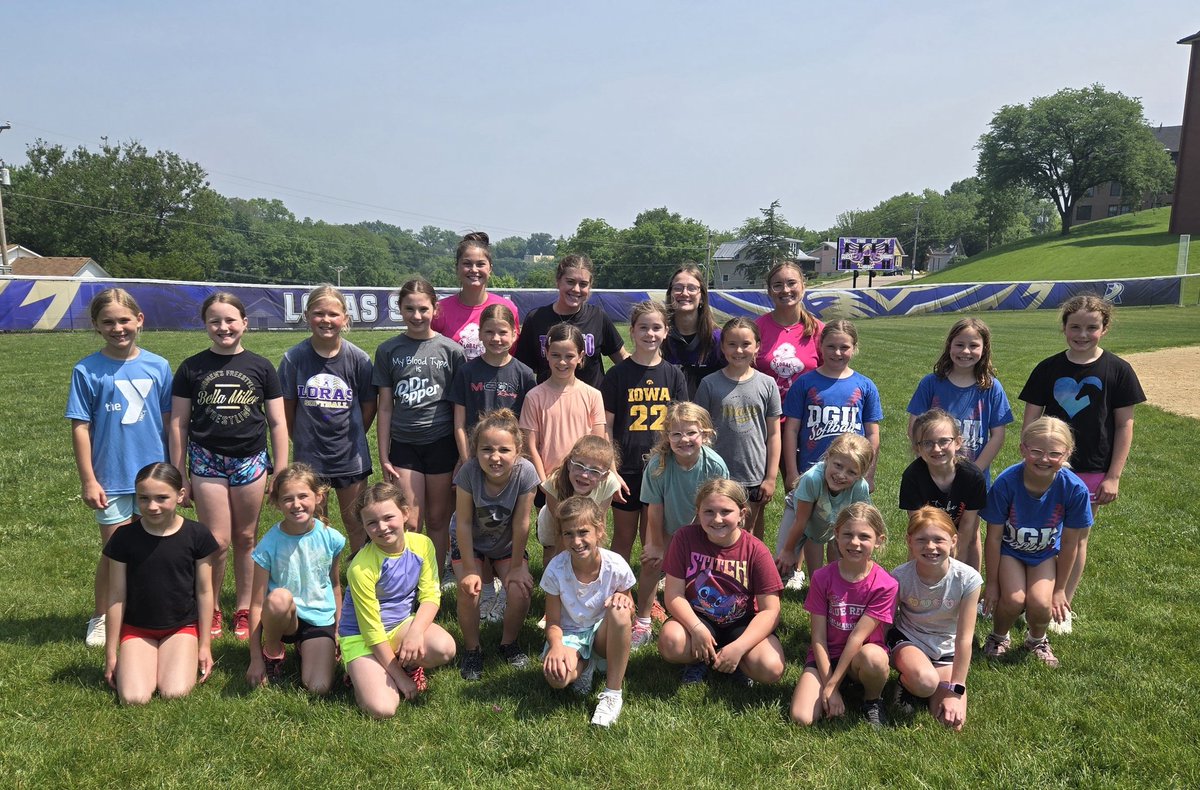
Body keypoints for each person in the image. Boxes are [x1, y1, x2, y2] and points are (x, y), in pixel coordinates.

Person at [1018, 295, 1144, 633]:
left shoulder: (1118, 370)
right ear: (1064, 328)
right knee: (1041, 534)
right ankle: (1031, 597)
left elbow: (1124, 425)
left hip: (1092, 468)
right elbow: (1032, 415)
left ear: (1104, 329)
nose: (1083, 334)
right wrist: (1027, 452)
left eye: (1092, 327)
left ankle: (1062, 605)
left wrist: (1113, 476)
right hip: (1048, 466)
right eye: (1075, 326)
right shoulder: (1048, 368)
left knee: (1077, 537)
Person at [170, 292, 288, 642]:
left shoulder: (261, 367)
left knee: (246, 537)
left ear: (244, 324)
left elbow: (278, 423)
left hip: (250, 459)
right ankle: (211, 606)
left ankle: (244, 607)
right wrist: (179, 474)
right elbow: (178, 423)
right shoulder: (192, 368)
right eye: (215, 321)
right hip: (206, 459)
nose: (223, 327)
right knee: (216, 541)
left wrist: (279, 471)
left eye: (230, 320)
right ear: (206, 326)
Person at [68, 288, 173, 647]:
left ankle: (144, 612)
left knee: (154, 549)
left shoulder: (158, 365)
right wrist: (89, 479)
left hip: (155, 477)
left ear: (139, 320)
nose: (118, 328)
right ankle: (102, 616)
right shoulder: (86, 369)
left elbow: (170, 421)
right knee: (116, 552)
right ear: (96, 326)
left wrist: (177, 472)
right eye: (108, 322)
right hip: (111, 477)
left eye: (124, 320)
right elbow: (80, 426)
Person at [447, 302, 536, 623]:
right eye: (489, 332)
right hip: (476, 462)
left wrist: (516, 463)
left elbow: (526, 424)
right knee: (475, 520)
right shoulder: (468, 371)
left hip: (508, 465)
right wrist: (468, 460)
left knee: (504, 522)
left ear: (515, 334)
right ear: (479, 335)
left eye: (503, 332)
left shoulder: (524, 373)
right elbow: (459, 422)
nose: (496, 338)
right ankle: (484, 586)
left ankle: (505, 579)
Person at [979, 417, 1092, 668]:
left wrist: (1061, 589)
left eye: (1054, 453)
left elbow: (1071, 543)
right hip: (1011, 552)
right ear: (1023, 449)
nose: (1044, 459)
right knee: (1013, 599)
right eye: (1037, 451)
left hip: (1044, 555)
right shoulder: (1007, 483)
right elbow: (994, 536)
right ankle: (998, 636)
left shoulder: (1074, 489)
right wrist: (993, 583)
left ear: (1067, 453)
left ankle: (1037, 640)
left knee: (1042, 603)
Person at [102, 463, 218, 705]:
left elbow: (205, 592)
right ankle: (142, 659)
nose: (152, 506)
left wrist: (204, 645)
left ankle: (169, 657)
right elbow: (116, 596)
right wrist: (111, 653)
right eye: (144, 498)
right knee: (134, 698)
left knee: (174, 693)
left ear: (180, 496)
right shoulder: (123, 538)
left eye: (162, 498)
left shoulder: (197, 535)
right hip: (137, 629)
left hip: (180, 627)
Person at [340, 483, 457, 718]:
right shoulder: (361, 567)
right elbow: (371, 630)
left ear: (405, 513)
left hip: (399, 626)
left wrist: (414, 633)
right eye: (371, 522)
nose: (382, 527)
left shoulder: (422, 545)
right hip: (361, 638)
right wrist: (400, 679)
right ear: (363, 526)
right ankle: (360, 670)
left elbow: (431, 595)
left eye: (388, 517)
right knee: (384, 708)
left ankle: (407, 663)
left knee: (445, 648)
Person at [373, 279, 465, 575]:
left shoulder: (450, 350)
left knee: (438, 519)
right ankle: (409, 580)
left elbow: (458, 407)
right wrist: (384, 454)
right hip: (405, 444)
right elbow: (385, 405)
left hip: (441, 443)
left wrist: (462, 454)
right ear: (400, 309)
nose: (416, 315)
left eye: (423, 309)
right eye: (409, 308)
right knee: (411, 520)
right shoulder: (388, 350)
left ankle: (434, 581)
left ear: (434, 309)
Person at [658, 480, 786, 687]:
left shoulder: (756, 550)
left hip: (741, 622)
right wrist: (696, 628)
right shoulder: (684, 538)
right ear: (697, 512)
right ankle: (700, 659)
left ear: (742, 514)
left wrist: (740, 647)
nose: (717, 519)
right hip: (700, 617)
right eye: (709, 511)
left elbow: (771, 611)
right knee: (671, 642)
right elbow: (673, 594)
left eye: (726, 511)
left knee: (770, 668)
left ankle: (735, 661)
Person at [278, 284, 377, 552]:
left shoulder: (359, 359)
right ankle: (321, 580)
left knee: (355, 521)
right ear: (308, 315)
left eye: (333, 314)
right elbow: (287, 407)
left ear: (345, 318)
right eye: (319, 314)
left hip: (350, 457)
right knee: (314, 522)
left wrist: (353, 434)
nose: (326, 320)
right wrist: (299, 437)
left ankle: (357, 582)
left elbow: (369, 405)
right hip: (310, 457)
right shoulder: (294, 359)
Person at [790, 503, 897, 728]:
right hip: (827, 657)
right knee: (801, 718)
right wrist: (830, 682)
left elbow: (856, 638)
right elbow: (818, 638)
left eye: (864, 536)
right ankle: (840, 686)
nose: (855, 542)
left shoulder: (886, 585)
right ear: (836, 535)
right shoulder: (821, 577)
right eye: (847, 534)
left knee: (874, 659)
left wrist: (831, 687)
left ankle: (872, 700)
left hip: (861, 657)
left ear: (879, 540)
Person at [451, 409, 539, 681]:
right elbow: (463, 523)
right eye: (487, 449)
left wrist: (516, 568)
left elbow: (522, 523)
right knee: (469, 592)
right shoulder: (469, 472)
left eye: (504, 449)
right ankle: (473, 648)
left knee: (520, 590)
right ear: (475, 450)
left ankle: (508, 643)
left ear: (518, 451)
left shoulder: (526, 473)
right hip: (471, 543)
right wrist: (468, 569)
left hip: (506, 544)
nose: (495, 457)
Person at [632, 402, 729, 649]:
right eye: (676, 434)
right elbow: (654, 507)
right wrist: (654, 543)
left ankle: (701, 615)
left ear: (705, 434)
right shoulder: (658, 465)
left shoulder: (714, 465)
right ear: (667, 436)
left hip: (704, 525)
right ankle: (642, 620)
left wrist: (693, 539)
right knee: (652, 563)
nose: (683, 439)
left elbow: (715, 505)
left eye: (691, 433)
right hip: (665, 523)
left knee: (700, 569)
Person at [602, 300, 687, 568]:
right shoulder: (617, 374)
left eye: (656, 328)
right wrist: (611, 468)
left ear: (666, 331)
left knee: (654, 538)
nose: (650, 334)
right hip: (626, 468)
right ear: (632, 331)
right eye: (643, 328)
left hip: (661, 468)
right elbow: (605, 426)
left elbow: (682, 424)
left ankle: (649, 598)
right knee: (623, 536)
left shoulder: (674, 375)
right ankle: (619, 591)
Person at [245, 464, 344, 693]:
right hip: (284, 618)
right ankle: (272, 653)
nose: (296, 504)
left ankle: (306, 648)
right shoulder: (268, 545)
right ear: (278, 503)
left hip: (319, 617)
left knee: (318, 687)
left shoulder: (332, 538)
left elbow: (335, 585)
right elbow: (257, 603)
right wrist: (255, 658)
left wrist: (339, 630)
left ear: (318, 497)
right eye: (288, 499)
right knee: (279, 598)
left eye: (303, 496)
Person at [541, 496, 636, 727]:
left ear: (599, 530)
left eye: (583, 532)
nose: (576, 541)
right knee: (557, 679)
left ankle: (612, 694)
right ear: (561, 535)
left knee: (620, 610)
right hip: (570, 634)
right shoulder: (556, 568)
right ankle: (585, 667)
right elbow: (552, 621)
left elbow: (631, 609)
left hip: (604, 635)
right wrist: (556, 646)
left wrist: (622, 599)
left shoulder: (616, 565)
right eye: (568, 534)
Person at [889, 507, 981, 730]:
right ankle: (906, 684)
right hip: (909, 640)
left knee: (951, 722)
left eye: (938, 539)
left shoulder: (968, 579)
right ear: (909, 541)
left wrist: (956, 689)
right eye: (921, 540)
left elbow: (965, 638)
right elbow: (886, 623)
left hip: (946, 647)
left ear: (953, 541)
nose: (930, 547)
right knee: (924, 681)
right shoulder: (899, 576)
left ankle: (927, 684)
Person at [694, 316, 781, 542]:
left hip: (753, 473)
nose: (739, 350)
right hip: (717, 474)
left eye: (746, 344)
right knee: (713, 528)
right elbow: (700, 432)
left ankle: (744, 574)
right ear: (722, 347)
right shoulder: (709, 384)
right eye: (732, 344)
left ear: (757, 347)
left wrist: (770, 477)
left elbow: (773, 434)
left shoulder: (767, 384)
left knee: (746, 532)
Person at [782, 319, 882, 490]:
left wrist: (869, 474)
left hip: (851, 473)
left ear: (854, 348)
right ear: (820, 345)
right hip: (811, 471)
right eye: (831, 346)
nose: (837, 353)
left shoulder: (865, 386)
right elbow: (791, 430)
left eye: (844, 347)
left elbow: (872, 433)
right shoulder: (804, 383)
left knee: (848, 517)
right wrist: (792, 472)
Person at [907, 317, 1012, 479]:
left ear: (984, 349)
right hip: (933, 473)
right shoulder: (931, 383)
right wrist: (930, 463)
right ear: (949, 346)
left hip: (973, 478)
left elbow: (997, 436)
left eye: (974, 345)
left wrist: (975, 471)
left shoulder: (991, 388)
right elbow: (914, 428)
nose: (966, 351)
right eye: (959, 345)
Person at [519, 323, 607, 497]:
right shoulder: (534, 396)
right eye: (556, 355)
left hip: (584, 481)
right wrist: (544, 484)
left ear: (581, 357)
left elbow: (598, 444)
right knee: (550, 524)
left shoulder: (593, 395)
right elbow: (530, 446)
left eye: (569, 356)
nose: (562, 362)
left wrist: (589, 477)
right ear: (546, 354)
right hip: (548, 482)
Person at [513, 253, 627, 388]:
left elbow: (622, 358)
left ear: (590, 286)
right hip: (548, 403)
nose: (576, 289)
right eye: (570, 282)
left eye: (583, 284)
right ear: (558, 281)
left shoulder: (597, 317)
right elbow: (522, 369)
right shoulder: (536, 318)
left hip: (590, 404)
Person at [775, 433, 874, 586]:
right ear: (828, 458)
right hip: (799, 513)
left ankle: (831, 586)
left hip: (833, 517)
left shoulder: (860, 487)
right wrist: (788, 550)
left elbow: (858, 523)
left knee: (842, 555)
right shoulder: (812, 479)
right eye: (838, 465)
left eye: (851, 472)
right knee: (782, 564)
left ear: (861, 474)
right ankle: (777, 588)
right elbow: (801, 521)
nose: (841, 475)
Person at [899, 409, 988, 571]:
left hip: (963, 530)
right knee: (918, 541)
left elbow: (968, 526)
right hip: (927, 528)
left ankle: (972, 583)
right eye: (927, 443)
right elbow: (917, 525)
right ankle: (913, 583)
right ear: (917, 448)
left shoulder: (973, 477)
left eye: (944, 441)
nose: (936, 449)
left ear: (958, 442)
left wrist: (956, 566)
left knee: (973, 534)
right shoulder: (912, 477)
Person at [432, 231, 521, 361]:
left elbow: (513, 356)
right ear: (457, 267)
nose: (474, 269)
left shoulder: (507, 308)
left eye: (480, 264)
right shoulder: (439, 310)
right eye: (467, 264)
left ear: (490, 268)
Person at [537, 436, 622, 565]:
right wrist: (560, 566)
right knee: (553, 556)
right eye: (579, 466)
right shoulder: (555, 482)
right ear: (570, 464)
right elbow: (559, 528)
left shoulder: (609, 484)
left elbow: (599, 522)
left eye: (594, 471)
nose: (584, 475)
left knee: (587, 554)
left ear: (604, 476)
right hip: (554, 521)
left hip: (587, 520)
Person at [754, 260, 824, 404]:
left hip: (806, 419)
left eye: (792, 283)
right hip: (766, 419)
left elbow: (831, 375)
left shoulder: (819, 329)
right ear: (769, 291)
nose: (785, 290)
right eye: (777, 285)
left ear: (803, 287)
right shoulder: (755, 329)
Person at [662, 263, 724, 398]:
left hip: (707, 415)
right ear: (670, 294)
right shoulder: (659, 337)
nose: (684, 293)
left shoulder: (718, 339)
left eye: (692, 288)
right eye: (678, 288)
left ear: (701, 296)